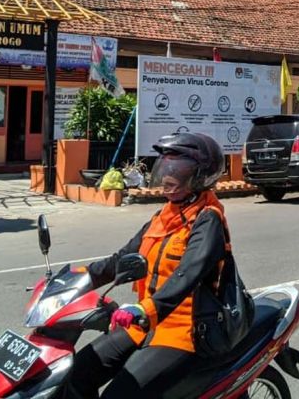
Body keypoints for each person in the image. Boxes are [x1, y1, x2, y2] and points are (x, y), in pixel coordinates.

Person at [67, 132, 231, 399]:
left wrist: (146, 309)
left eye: (177, 171)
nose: (168, 177)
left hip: (181, 330)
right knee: (77, 374)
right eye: (165, 168)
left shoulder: (207, 219)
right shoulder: (164, 215)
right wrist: (81, 277)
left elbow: (186, 276)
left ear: (201, 176)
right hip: (145, 323)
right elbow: (122, 258)